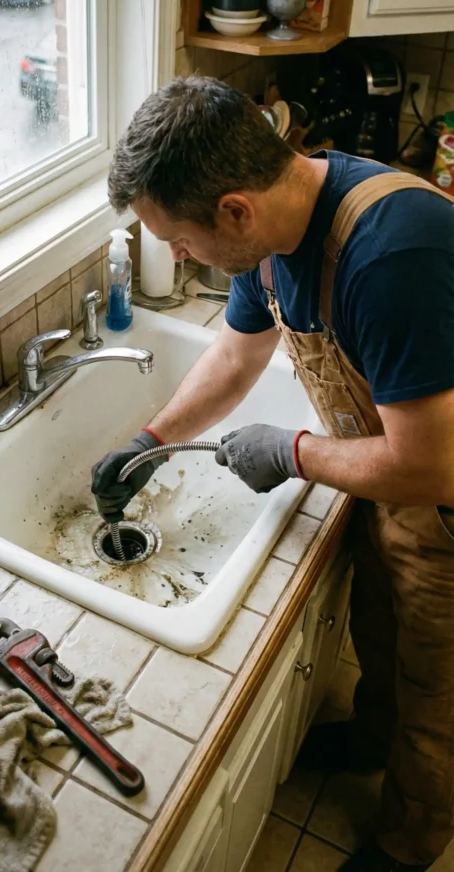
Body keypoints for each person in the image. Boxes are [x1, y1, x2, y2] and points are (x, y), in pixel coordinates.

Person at [91, 76, 454, 872]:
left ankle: (410, 842)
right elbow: (235, 353)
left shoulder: (392, 253)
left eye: (179, 240)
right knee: (381, 628)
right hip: (389, 477)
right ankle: (368, 738)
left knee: (439, 695)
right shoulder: (274, 232)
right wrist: (150, 440)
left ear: (234, 210)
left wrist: (292, 451)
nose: (178, 257)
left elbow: (432, 462)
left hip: (445, 500)